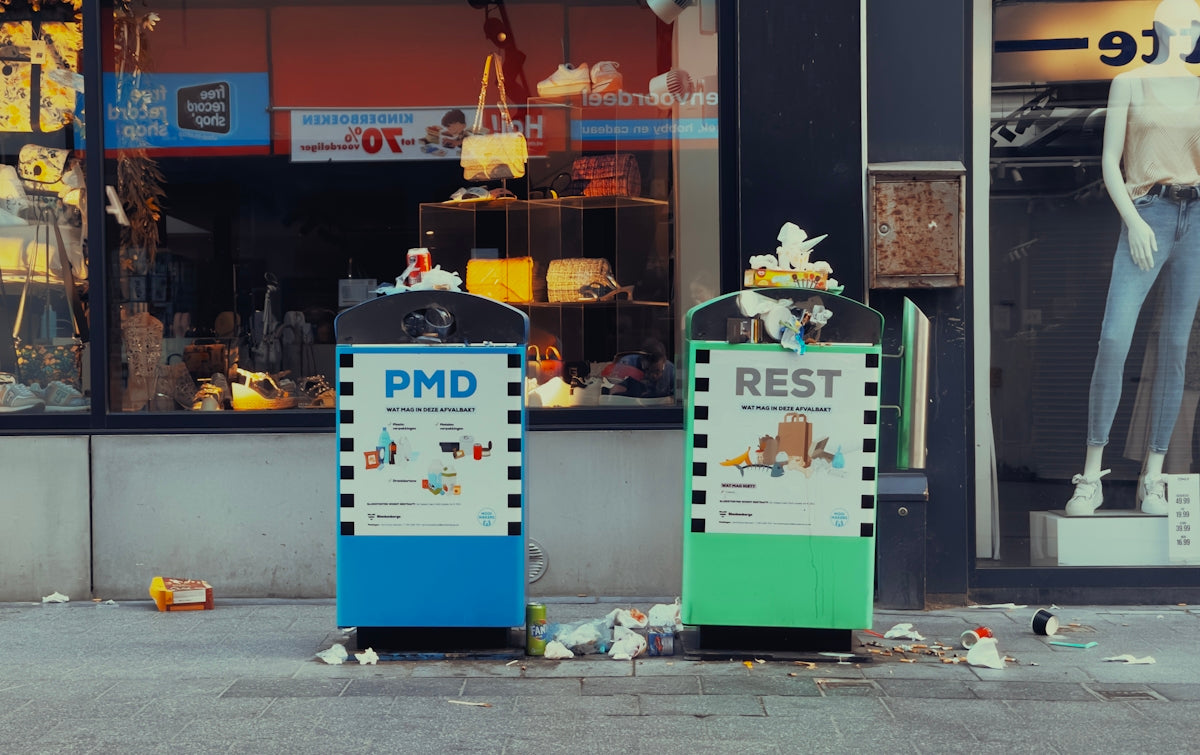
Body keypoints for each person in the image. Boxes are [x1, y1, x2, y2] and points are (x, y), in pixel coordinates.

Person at [1066, 0, 1200, 516]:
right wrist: (1135, 220)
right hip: (1148, 212)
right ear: (1163, 29)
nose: (1190, 35)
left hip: (1195, 217)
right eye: (1184, 26)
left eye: (1194, 27)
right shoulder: (1129, 82)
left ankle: (1154, 476)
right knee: (1115, 337)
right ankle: (1090, 475)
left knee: (1175, 346)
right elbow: (1109, 161)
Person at [603, 339, 675, 398]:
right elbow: (614, 394)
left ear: (664, 362)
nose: (653, 375)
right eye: (648, 370)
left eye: (657, 371)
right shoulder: (627, 364)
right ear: (641, 359)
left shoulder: (671, 370)